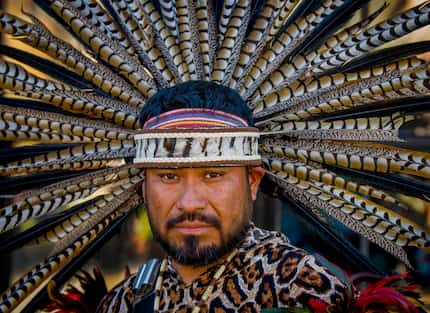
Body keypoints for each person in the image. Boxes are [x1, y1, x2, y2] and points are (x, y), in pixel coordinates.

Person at [96, 81, 348, 313]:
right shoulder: (124, 301)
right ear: (144, 189)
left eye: (213, 174)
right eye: (169, 177)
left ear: (252, 181)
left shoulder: (303, 290)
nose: (190, 202)